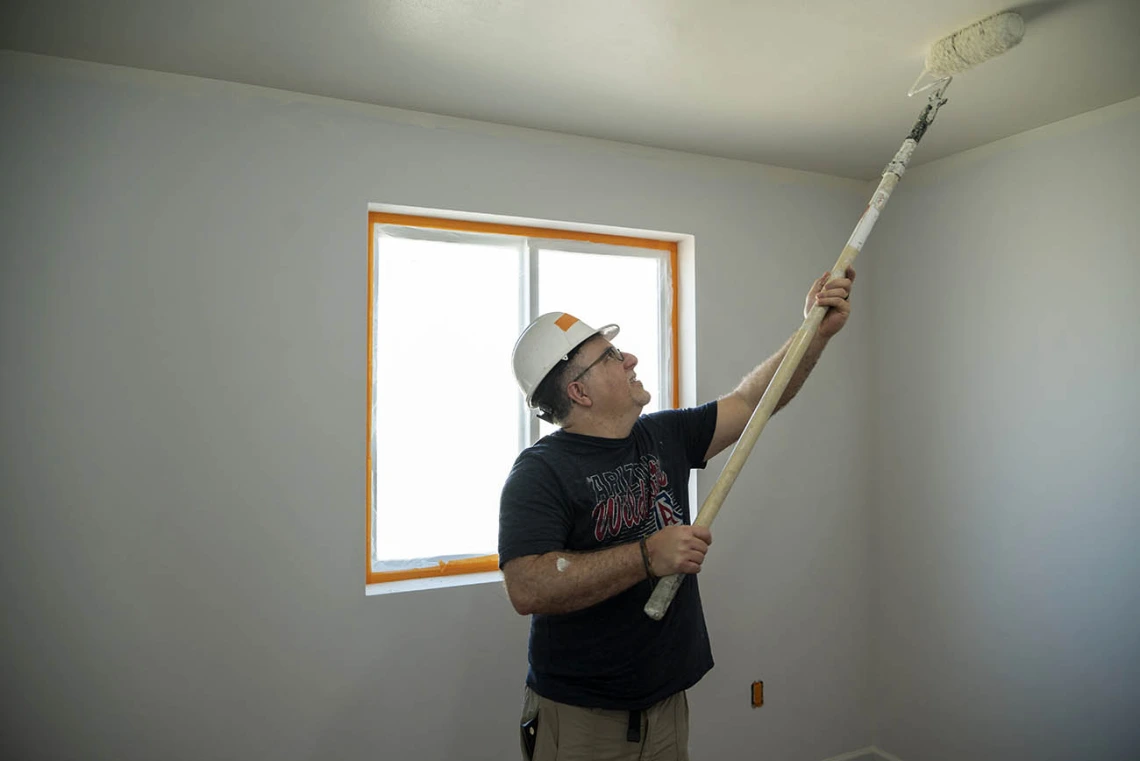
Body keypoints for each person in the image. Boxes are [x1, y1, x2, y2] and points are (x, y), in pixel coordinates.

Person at [499, 268, 856, 761]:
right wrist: (647, 555)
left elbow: (754, 401)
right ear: (579, 392)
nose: (629, 358)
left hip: (665, 703)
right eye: (609, 356)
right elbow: (528, 587)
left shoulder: (662, 435)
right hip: (582, 718)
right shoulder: (540, 472)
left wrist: (811, 332)